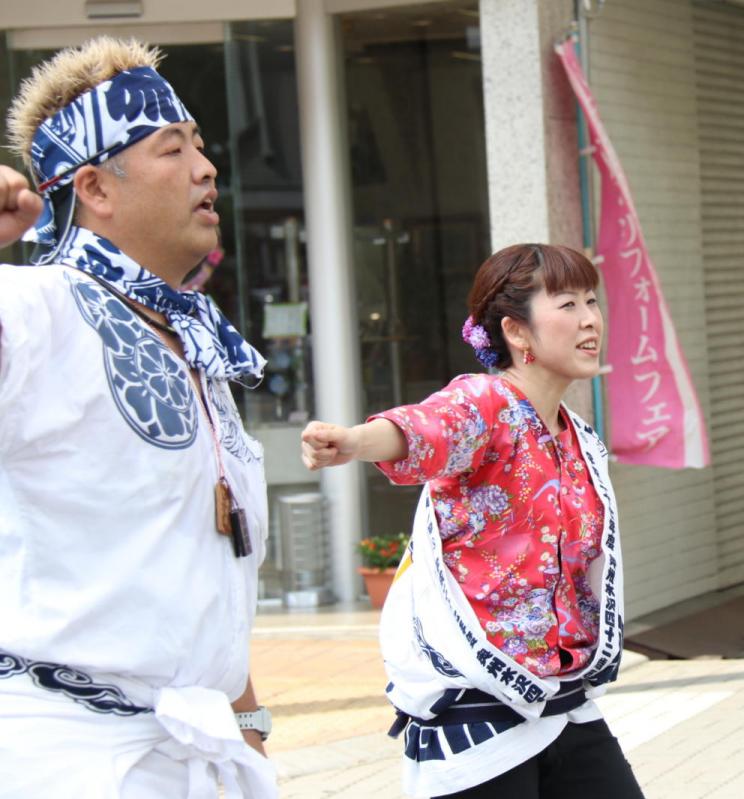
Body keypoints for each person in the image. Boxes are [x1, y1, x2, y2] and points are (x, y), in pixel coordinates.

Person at [0, 38, 275, 797]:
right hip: (68, 755)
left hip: (196, 751)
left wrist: (254, 735)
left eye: (200, 146)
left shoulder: (195, 344)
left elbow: (203, 567)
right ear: (95, 187)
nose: (206, 167)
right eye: (171, 148)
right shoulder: (32, 308)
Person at [301, 243, 643, 799]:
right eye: (566, 305)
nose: (589, 320)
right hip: (479, 711)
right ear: (518, 332)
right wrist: (355, 441)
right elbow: (428, 428)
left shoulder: (578, 436)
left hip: (562, 701)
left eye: (591, 301)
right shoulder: (486, 404)